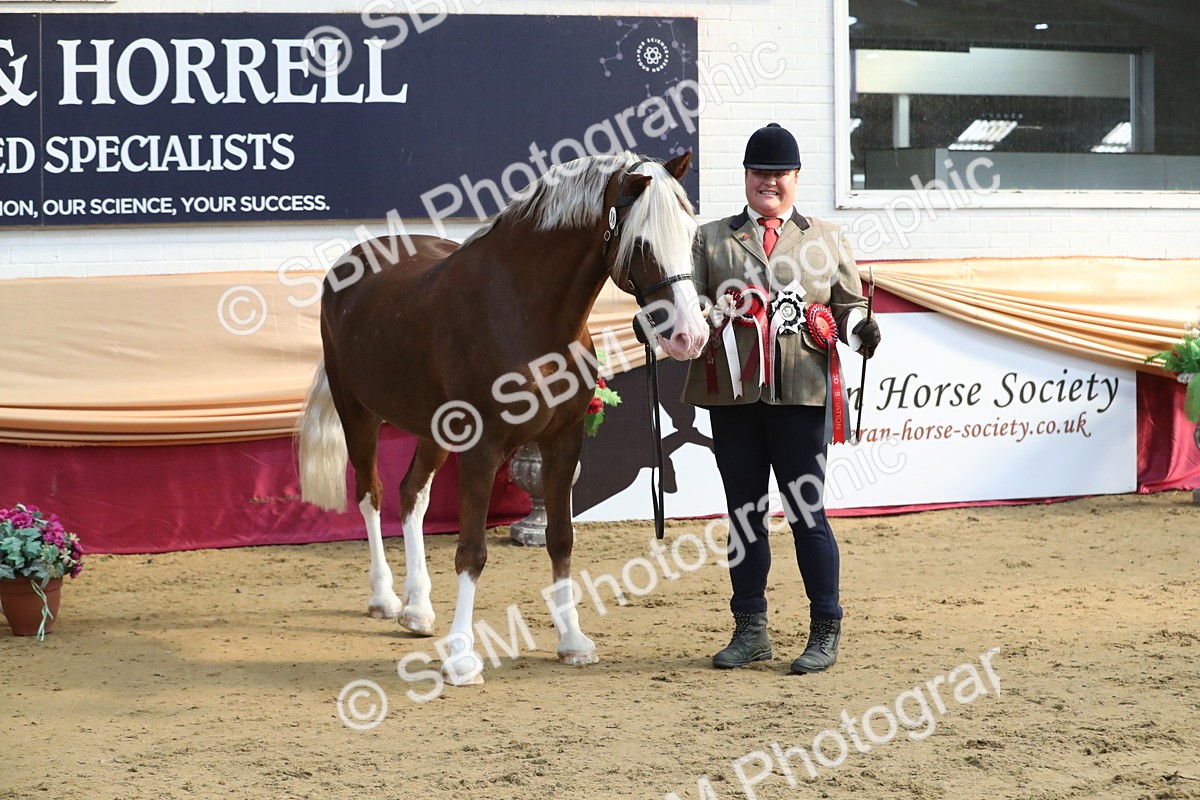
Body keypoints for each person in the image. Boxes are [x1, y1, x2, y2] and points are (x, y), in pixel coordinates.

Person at [682, 122, 881, 674]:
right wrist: (674, 322)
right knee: (743, 514)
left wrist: (862, 330)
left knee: (806, 514)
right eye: (759, 172)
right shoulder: (710, 238)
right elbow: (691, 306)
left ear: (796, 177)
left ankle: (825, 629)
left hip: (801, 392)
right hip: (734, 395)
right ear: (746, 176)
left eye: (779, 173)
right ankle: (750, 630)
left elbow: (847, 307)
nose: (768, 182)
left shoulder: (827, 237)